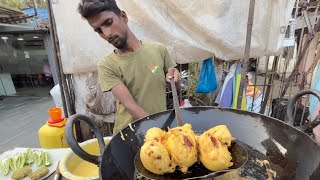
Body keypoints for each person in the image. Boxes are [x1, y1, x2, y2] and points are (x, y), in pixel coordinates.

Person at [78, 0, 180, 135]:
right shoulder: (107, 65)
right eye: (99, 30)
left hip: (158, 127)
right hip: (130, 135)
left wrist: (175, 78)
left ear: (123, 17)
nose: (106, 34)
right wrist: (158, 132)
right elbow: (130, 106)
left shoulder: (158, 50)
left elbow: (174, 86)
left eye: (108, 23)